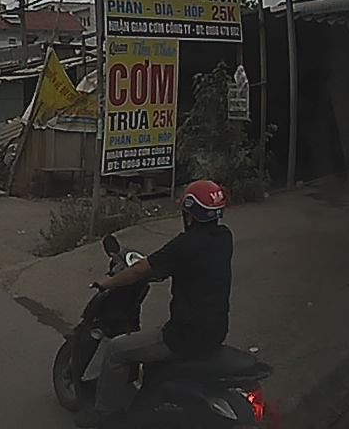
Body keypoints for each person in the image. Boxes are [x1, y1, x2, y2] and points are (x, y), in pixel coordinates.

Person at [74, 180, 232, 428]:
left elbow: (140, 270)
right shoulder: (224, 238)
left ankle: (104, 413)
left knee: (116, 350)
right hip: (215, 330)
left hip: (184, 336)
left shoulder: (184, 245)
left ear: (190, 214)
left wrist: (108, 282)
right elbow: (191, 268)